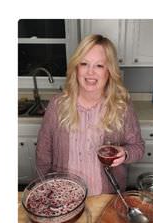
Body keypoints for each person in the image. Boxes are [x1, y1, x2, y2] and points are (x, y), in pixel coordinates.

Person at [36, 34, 144, 195]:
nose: (90, 72)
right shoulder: (57, 105)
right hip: (63, 195)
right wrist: (43, 189)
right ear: (76, 67)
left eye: (99, 65)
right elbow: (43, 153)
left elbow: (138, 148)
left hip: (105, 196)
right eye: (84, 63)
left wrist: (125, 153)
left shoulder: (122, 107)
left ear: (109, 70)